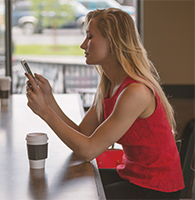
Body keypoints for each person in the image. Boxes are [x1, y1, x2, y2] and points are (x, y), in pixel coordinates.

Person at [25, 8, 184, 199]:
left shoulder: (135, 92)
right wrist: (49, 101)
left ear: (112, 42)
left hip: (157, 189)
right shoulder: (110, 86)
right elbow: (84, 135)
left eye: (90, 37)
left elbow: (88, 151)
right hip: (132, 176)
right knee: (70, 182)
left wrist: (45, 113)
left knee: (77, 193)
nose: (83, 45)